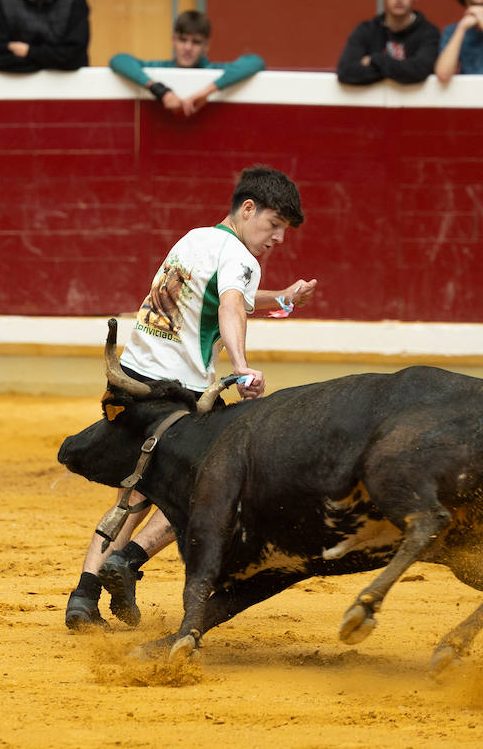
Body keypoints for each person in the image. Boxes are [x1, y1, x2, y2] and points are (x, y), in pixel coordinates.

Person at [65, 166, 318, 630]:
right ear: (248, 209)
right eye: (274, 224)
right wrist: (240, 368)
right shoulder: (242, 257)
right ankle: (131, 560)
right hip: (179, 394)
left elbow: (230, 297)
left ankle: (83, 595)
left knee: (135, 490)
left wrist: (282, 297)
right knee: (213, 489)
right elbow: (229, 307)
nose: (279, 237)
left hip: (131, 385)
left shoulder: (195, 239)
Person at [109, 10, 264, 117]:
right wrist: (160, 91)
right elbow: (118, 60)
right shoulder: (160, 68)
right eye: (183, 40)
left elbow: (255, 62)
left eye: (196, 42)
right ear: (173, 40)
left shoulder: (213, 70)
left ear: (206, 46)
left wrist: (205, 92)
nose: (188, 48)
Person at [336, 0, 439, 85]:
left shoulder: (429, 33)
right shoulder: (365, 30)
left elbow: (419, 71)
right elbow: (345, 72)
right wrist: (400, 70)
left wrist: (375, 59)